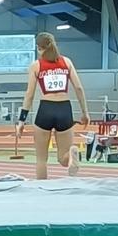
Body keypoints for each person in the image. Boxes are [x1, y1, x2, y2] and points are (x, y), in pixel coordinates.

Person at [17, 32, 89, 180]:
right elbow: (79, 88)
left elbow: (29, 95)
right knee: (63, 159)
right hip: (64, 109)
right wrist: (85, 112)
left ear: (39, 48)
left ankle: (42, 191)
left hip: (46, 109)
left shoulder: (36, 66)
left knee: (41, 160)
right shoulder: (67, 62)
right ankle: (71, 154)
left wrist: (21, 121)